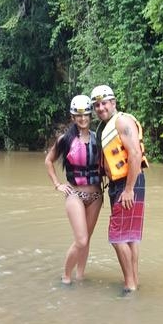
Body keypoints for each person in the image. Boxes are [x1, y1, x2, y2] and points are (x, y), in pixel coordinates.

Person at [90, 84, 148, 293]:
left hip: (128, 183)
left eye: (103, 103)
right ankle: (134, 281)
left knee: (116, 237)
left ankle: (129, 285)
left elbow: (134, 154)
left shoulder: (121, 121)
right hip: (120, 183)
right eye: (96, 105)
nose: (100, 108)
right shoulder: (106, 127)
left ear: (113, 103)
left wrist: (129, 189)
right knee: (129, 236)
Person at [45, 95, 103, 284]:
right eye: (78, 115)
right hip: (74, 194)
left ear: (90, 115)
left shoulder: (98, 138)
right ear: (72, 117)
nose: (83, 118)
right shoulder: (65, 140)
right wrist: (57, 184)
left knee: (87, 239)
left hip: (96, 195)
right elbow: (49, 161)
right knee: (81, 240)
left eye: (86, 114)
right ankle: (66, 276)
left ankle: (80, 276)